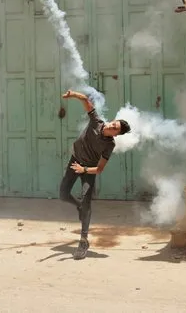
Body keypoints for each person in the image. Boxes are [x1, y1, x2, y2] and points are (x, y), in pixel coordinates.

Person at [59, 89, 131, 260]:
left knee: (86, 201)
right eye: (114, 123)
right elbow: (86, 100)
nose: (112, 126)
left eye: (115, 129)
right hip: (74, 161)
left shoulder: (109, 146)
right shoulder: (97, 121)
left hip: (88, 169)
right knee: (63, 194)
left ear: (116, 134)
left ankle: (83, 240)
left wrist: (84, 170)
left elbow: (99, 169)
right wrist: (73, 94)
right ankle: (78, 206)